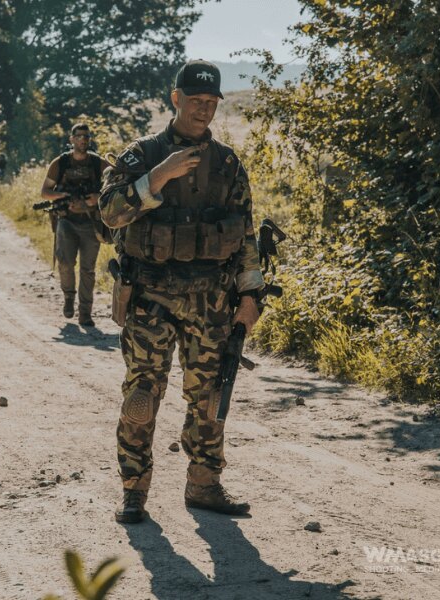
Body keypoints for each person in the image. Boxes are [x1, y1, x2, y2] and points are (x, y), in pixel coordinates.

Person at [99, 60, 264, 524]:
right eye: (196, 102)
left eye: (212, 104)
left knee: (210, 396)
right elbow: (109, 213)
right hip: (150, 297)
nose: (204, 111)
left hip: (211, 301)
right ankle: (134, 491)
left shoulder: (228, 164)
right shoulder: (142, 155)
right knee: (142, 398)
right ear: (176, 99)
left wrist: (251, 295)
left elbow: (245, 236)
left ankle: (204, 486)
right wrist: (157, 177)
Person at [39, 123, 109, 327]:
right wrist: (64, 196)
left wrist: (97, 197)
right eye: (79, 136)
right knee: (66, 263)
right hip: (67, 221)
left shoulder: (98, 163)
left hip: (90, 223)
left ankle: (85, 313)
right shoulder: (60, 163)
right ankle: (69, 297)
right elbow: (45, 192)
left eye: (86, 136)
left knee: (88, 270)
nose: (83, 140)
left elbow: (118, 183)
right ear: (71, 139)